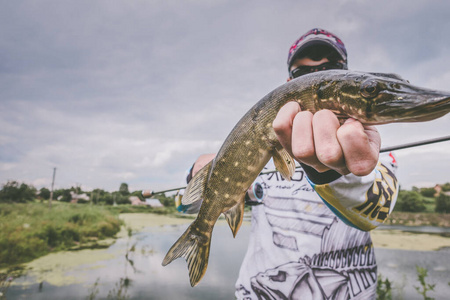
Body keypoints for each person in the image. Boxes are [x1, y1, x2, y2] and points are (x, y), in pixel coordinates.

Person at [185, 28, 399, 300]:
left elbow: (375, 212)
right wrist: (198, 172)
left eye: (330, 69)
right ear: (289, 82)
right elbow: (189, 203)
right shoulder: (263, 141)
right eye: (304, 75)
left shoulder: (371, 144)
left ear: (345, 76)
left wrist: (330, 172)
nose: (316, 80)